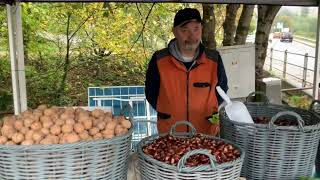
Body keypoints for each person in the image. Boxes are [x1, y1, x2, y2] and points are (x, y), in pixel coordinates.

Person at [145, 8, 228, 135]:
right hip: (170, 133)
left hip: (206, 133)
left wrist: (208, 112)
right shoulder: (159, 60)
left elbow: (222, 91)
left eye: (196, 29)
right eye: (185, 30)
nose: (192, 36)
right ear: (174, 32)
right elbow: (151, 93)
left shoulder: (214, 59)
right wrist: (169, 110)